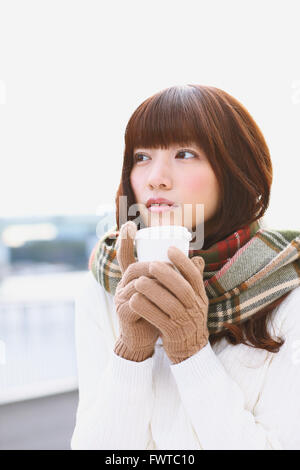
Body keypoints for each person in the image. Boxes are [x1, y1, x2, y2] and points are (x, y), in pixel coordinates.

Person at [70, 84, 300, 450]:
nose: (155, 178)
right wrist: (132, 352)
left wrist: (190, 350)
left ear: (235, 169)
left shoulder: (288, 290)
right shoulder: (105, 285)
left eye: (185, 153)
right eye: (141, 156)